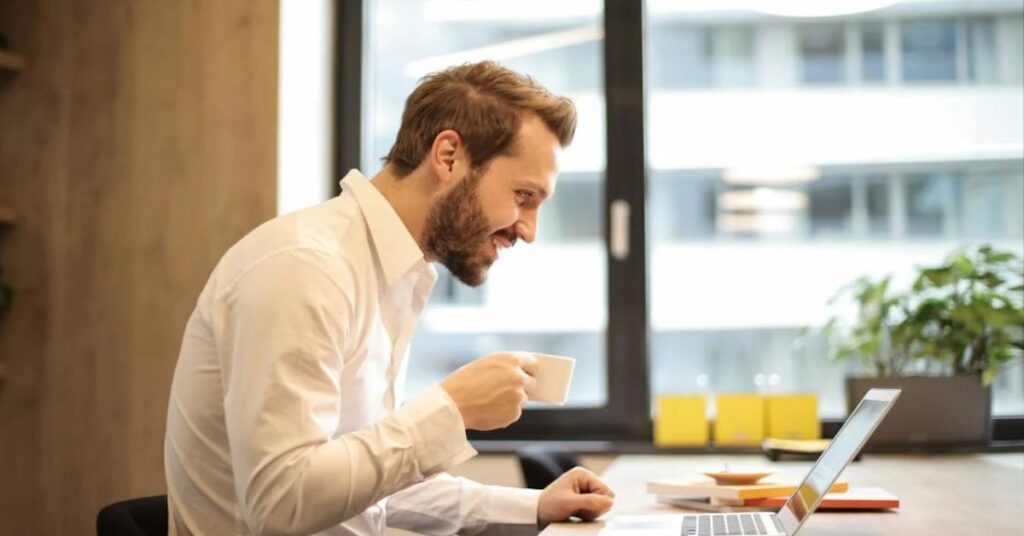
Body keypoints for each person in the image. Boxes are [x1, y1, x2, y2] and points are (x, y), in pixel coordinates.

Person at [164, 60, 615, 536]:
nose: (529, 230)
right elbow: (281, 504)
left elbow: (367, 487)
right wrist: (451, 409)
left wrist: (535, 507)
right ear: (447, 156)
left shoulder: (395, 275)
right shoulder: (305, 268)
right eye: (523, 195)